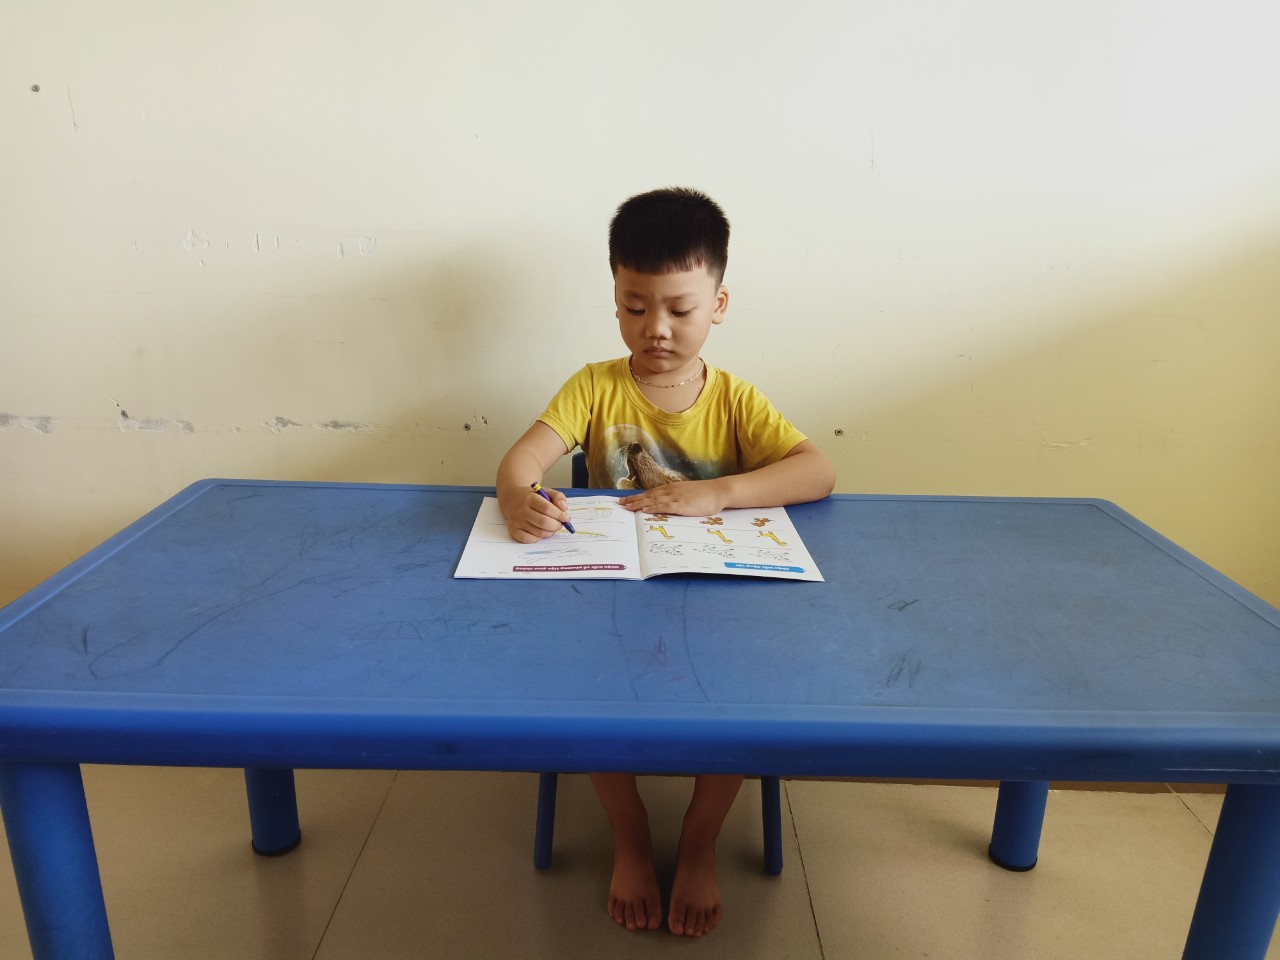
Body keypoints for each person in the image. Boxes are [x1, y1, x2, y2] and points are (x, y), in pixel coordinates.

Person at [496, 187, 836, 937]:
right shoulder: (594, 387)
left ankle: (700, 841)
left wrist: (718, 493)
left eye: (680, 309)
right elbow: (522, 458)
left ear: (718, 304)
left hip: (719, 604)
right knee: (587, 697)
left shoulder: (736, 400)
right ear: (615, 300)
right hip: (609, 605)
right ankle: (629, 836)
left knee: (742, 701)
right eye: (634, 306)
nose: (656, 328)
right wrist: (518, 494)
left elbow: (818, 471)